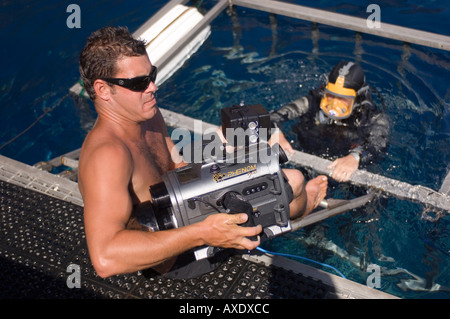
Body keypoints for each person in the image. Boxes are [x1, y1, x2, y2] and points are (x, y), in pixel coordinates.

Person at [77, 26, 328, 279]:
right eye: (140, 83)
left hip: (186, 204)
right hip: (172, 256)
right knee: (293, 184)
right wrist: (204, 233)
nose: (153, 87)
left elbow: (177, 167)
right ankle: (303, 205)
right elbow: (105, 259)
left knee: (269, 166)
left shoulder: (147, 116)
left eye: (151, 75)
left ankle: (293, 200)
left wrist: (225, 159)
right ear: (103, 90)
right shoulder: (107, 154)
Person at [270, 61, 390, 182]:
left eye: (343, 98)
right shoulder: (311, 102)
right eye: (330, 96)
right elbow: (268, 118)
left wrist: (356, 157)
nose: (333, 105)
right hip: (305, 154)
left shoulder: (374, 117)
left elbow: (379, 146)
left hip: (343, 168)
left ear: (358, 98)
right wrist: (275, 133)